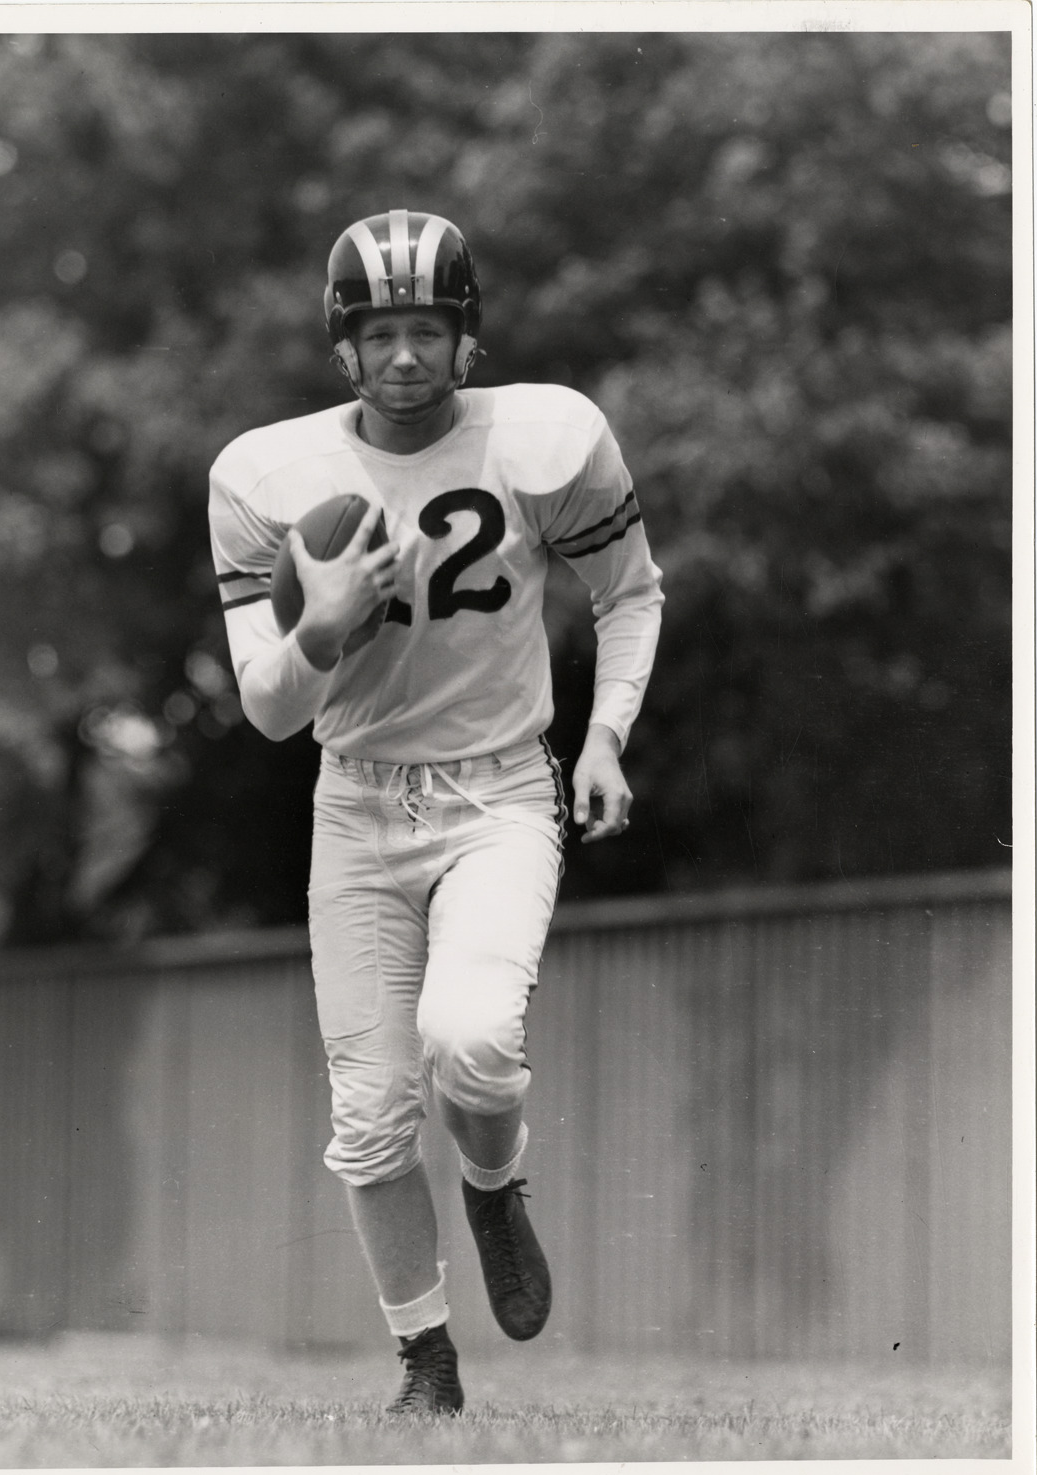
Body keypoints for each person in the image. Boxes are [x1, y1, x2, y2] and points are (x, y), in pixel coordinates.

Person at [208, 209, 663, 1414]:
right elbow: (268, 710)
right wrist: (320, 624)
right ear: (340, 347)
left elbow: (629, 592)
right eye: (378, 334)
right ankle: (427, 1366)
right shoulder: (264, 476)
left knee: (472, 1040)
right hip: (356, 804)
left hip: (498, 788)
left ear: (468, 339)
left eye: (426, 329)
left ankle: (495, 1186)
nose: (403, 355)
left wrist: (604, 736)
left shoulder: (545, 438)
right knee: (368, 1115)